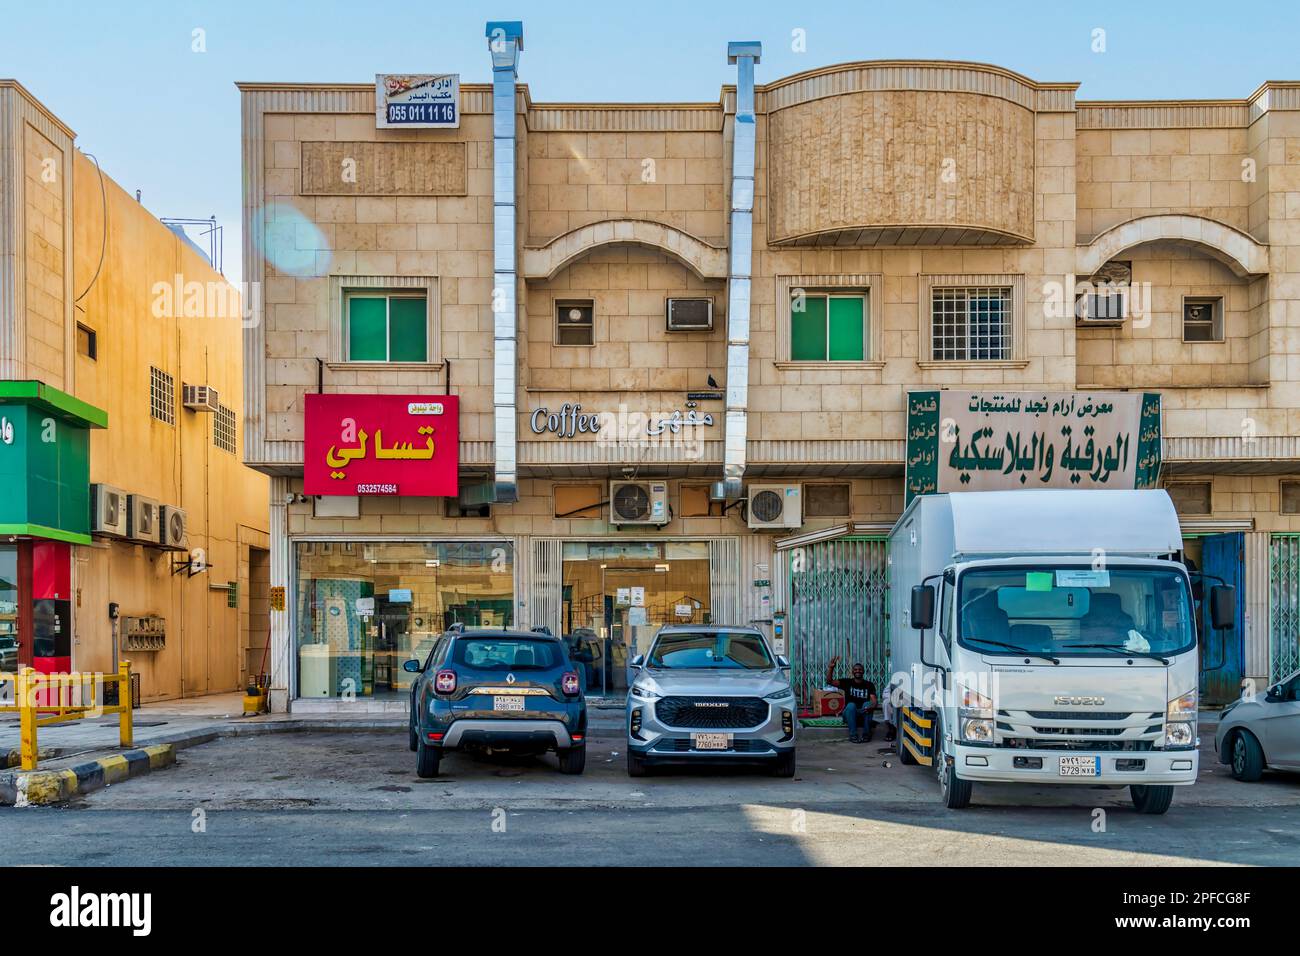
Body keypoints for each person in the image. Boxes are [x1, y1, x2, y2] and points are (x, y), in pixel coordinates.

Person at [825, 656, 878, 742]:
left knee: (867, 704)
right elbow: (829, 681)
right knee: (851, 705)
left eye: (860, 669)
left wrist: (872, 706)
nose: (858, 671)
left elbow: (874, 700)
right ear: (852, 671)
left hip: (863, 714)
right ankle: (853, 735)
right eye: (856, 669)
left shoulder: (869, 685)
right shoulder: (847, 682)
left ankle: (866, 735)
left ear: (863, 671)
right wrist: (831, 668)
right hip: (849, 715)